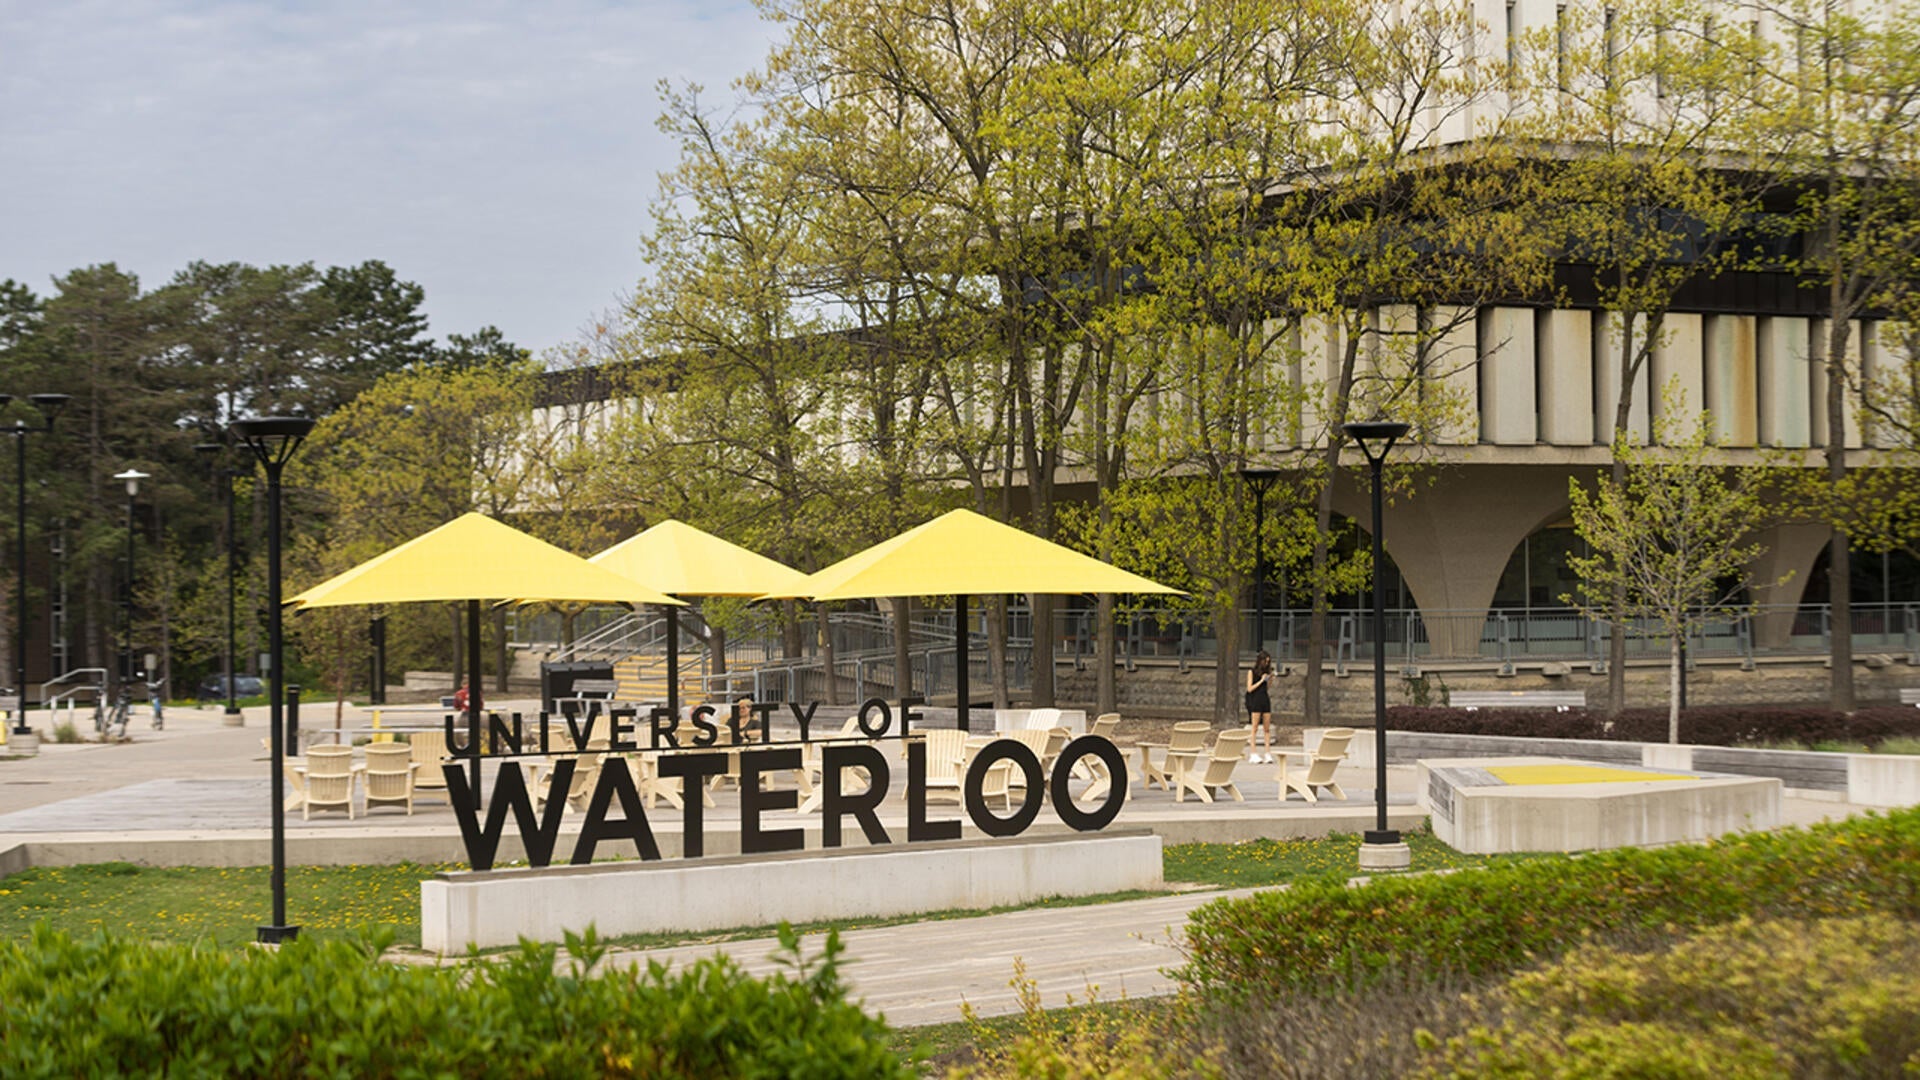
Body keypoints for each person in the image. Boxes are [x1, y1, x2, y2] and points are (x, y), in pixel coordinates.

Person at [1245, 650, 1275, 763]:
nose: (1266, 664)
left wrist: (1270, 680)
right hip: (1255, 699)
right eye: (1265, 662)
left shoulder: (1266, 672)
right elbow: (1249, 688)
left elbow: (1266, 688)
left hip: (1264, 698)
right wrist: (1261, 680)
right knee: (1255, 727)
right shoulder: (1252, 672)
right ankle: (1253, 753)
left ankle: (1267, 753)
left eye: (1268, 662)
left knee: (1267, 728)